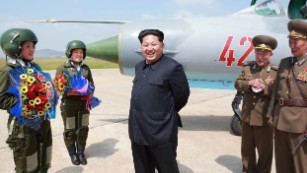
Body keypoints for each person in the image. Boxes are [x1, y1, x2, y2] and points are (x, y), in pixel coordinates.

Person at [128, 29, 190, 173]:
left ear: (162, 45)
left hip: (160, 132)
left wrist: (165, 114)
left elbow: (182, 95)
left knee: (167, 169)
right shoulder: (139, 67)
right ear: (141, 47)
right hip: (137, 130)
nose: (149, 48)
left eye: (153, 44)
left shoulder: (172, 67)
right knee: (142, 169)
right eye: (145, 45)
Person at [0, 28, 58, 172]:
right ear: (14, 47)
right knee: (27, 166)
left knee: (44, 159)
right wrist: (25, 104)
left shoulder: (35, 67)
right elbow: (1, 99)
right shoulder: (7, 72)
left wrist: (51, 95)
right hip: (23, 127)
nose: (32, 49)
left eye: (33, 46)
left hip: (43, 121)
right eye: (27, 46)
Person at [267, 20, 307, 173]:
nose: (292, 45)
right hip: (280, 121)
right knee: (282, 167)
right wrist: (270, 117)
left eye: (296, 41)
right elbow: (276, 94)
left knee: (301, 167)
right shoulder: (285, 63)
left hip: (301, 124)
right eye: (290, 41)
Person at [235, 35, 278, 173]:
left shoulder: (276, 72)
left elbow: (279, 93)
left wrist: (264, 88)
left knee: (265, 153)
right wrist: (250, 83)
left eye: (264, 54)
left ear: (270, 55)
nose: (260, 57)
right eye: (258, 53)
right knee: (246, 151)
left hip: (264, 120)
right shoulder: (248, 68)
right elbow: (237, 84)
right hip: (247, 118)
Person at [53, 40, 96, 165]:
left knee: (83, 129)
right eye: (76, 52)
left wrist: (90, 97)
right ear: (69, 53)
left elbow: (92, 84)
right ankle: (73, 154)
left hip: (84, 105)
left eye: (81, 52)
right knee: (70, 130)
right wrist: (72, 91)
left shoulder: (86, 68)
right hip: (69, 105)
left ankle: (81, 153)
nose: (79, 54)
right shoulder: (62, 68)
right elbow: (58, 87)